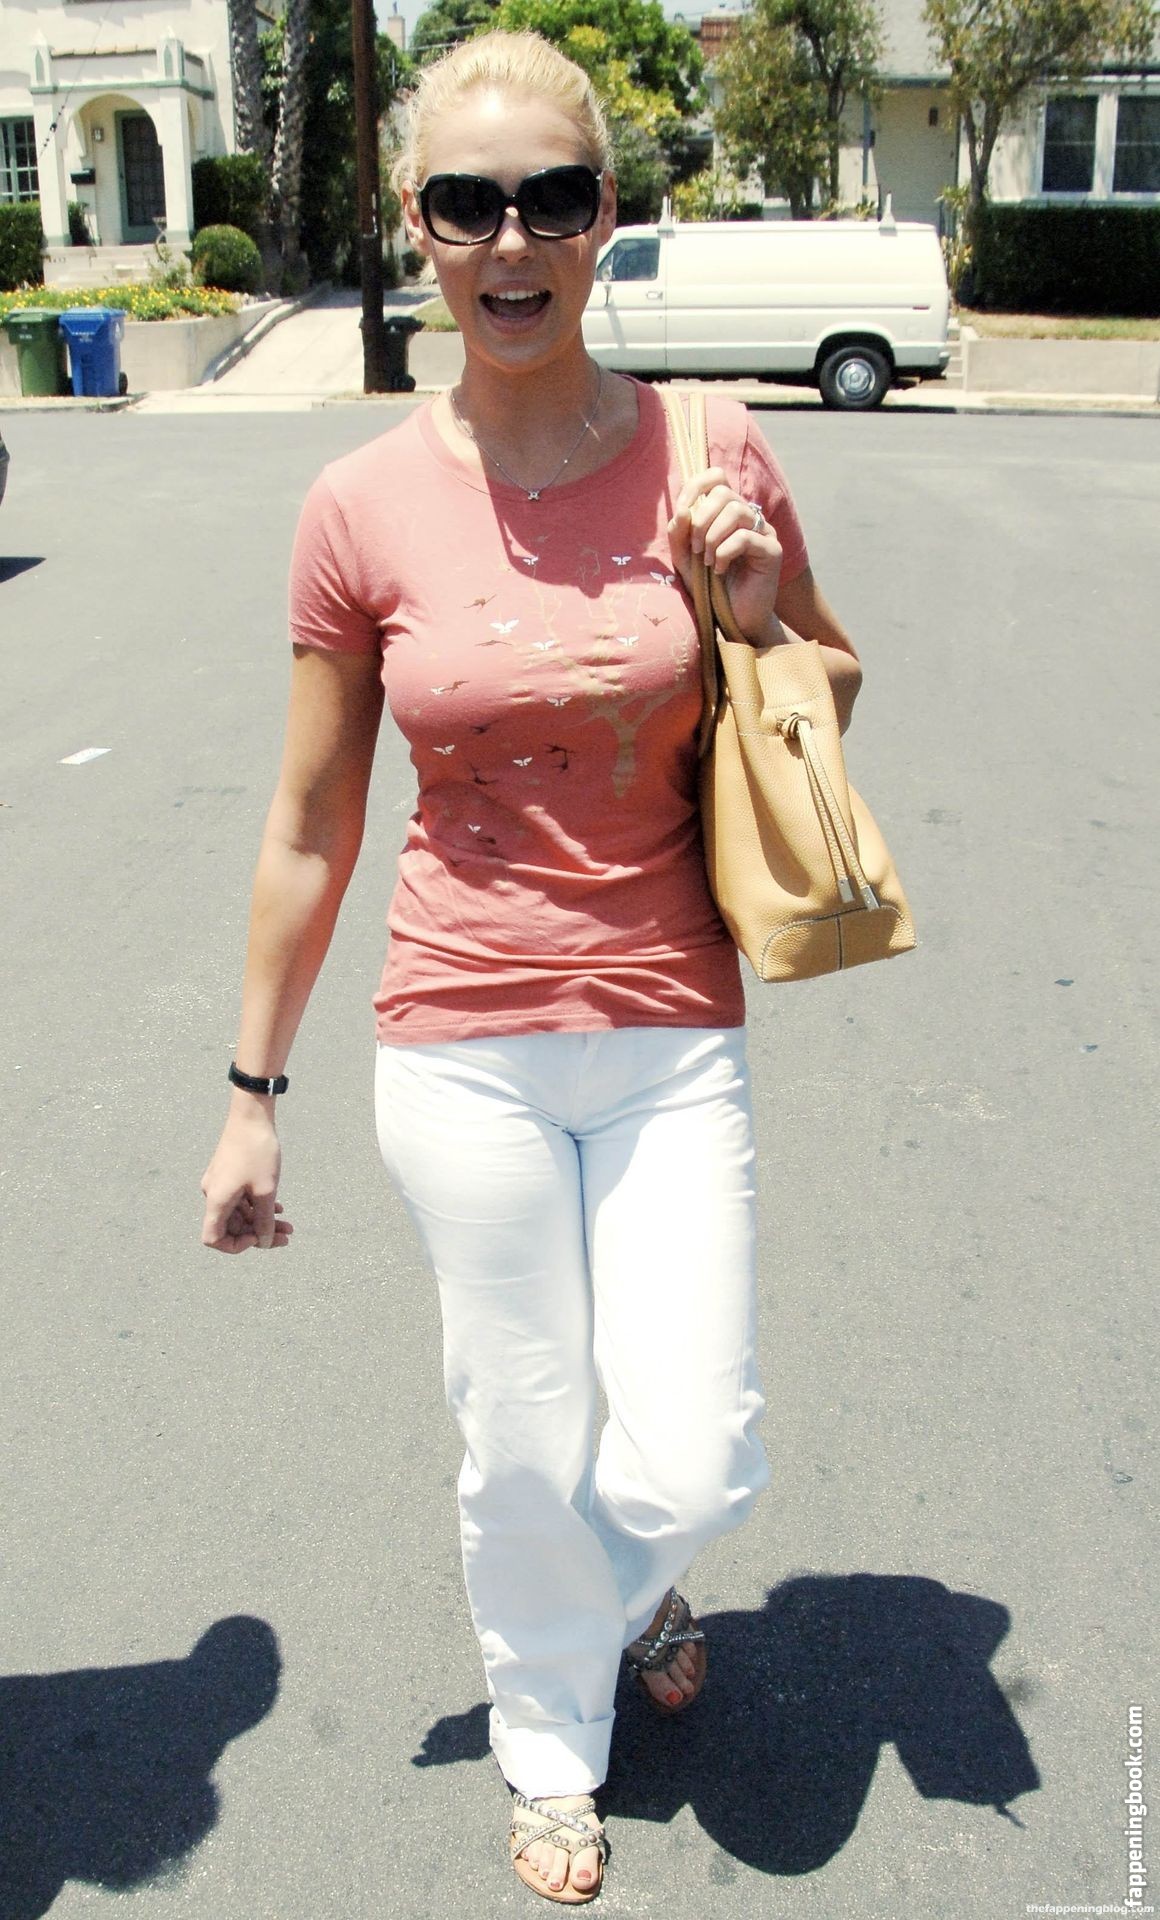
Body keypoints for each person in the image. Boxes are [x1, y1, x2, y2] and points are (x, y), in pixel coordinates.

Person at [200, 30, 862, 1906]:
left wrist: (754, 617)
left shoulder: (710, 450)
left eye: (551, 199)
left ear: (604, 218)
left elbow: (832, 688)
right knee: (520, 1426)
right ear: (416, 223)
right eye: (469, 204)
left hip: (670, 1022)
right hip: (461, 1039)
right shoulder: (358, 508)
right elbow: (311, 825)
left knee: (691, 1448)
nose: (512, 241)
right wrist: (250, 1098)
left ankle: (632, 1577)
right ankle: (550, 1743)